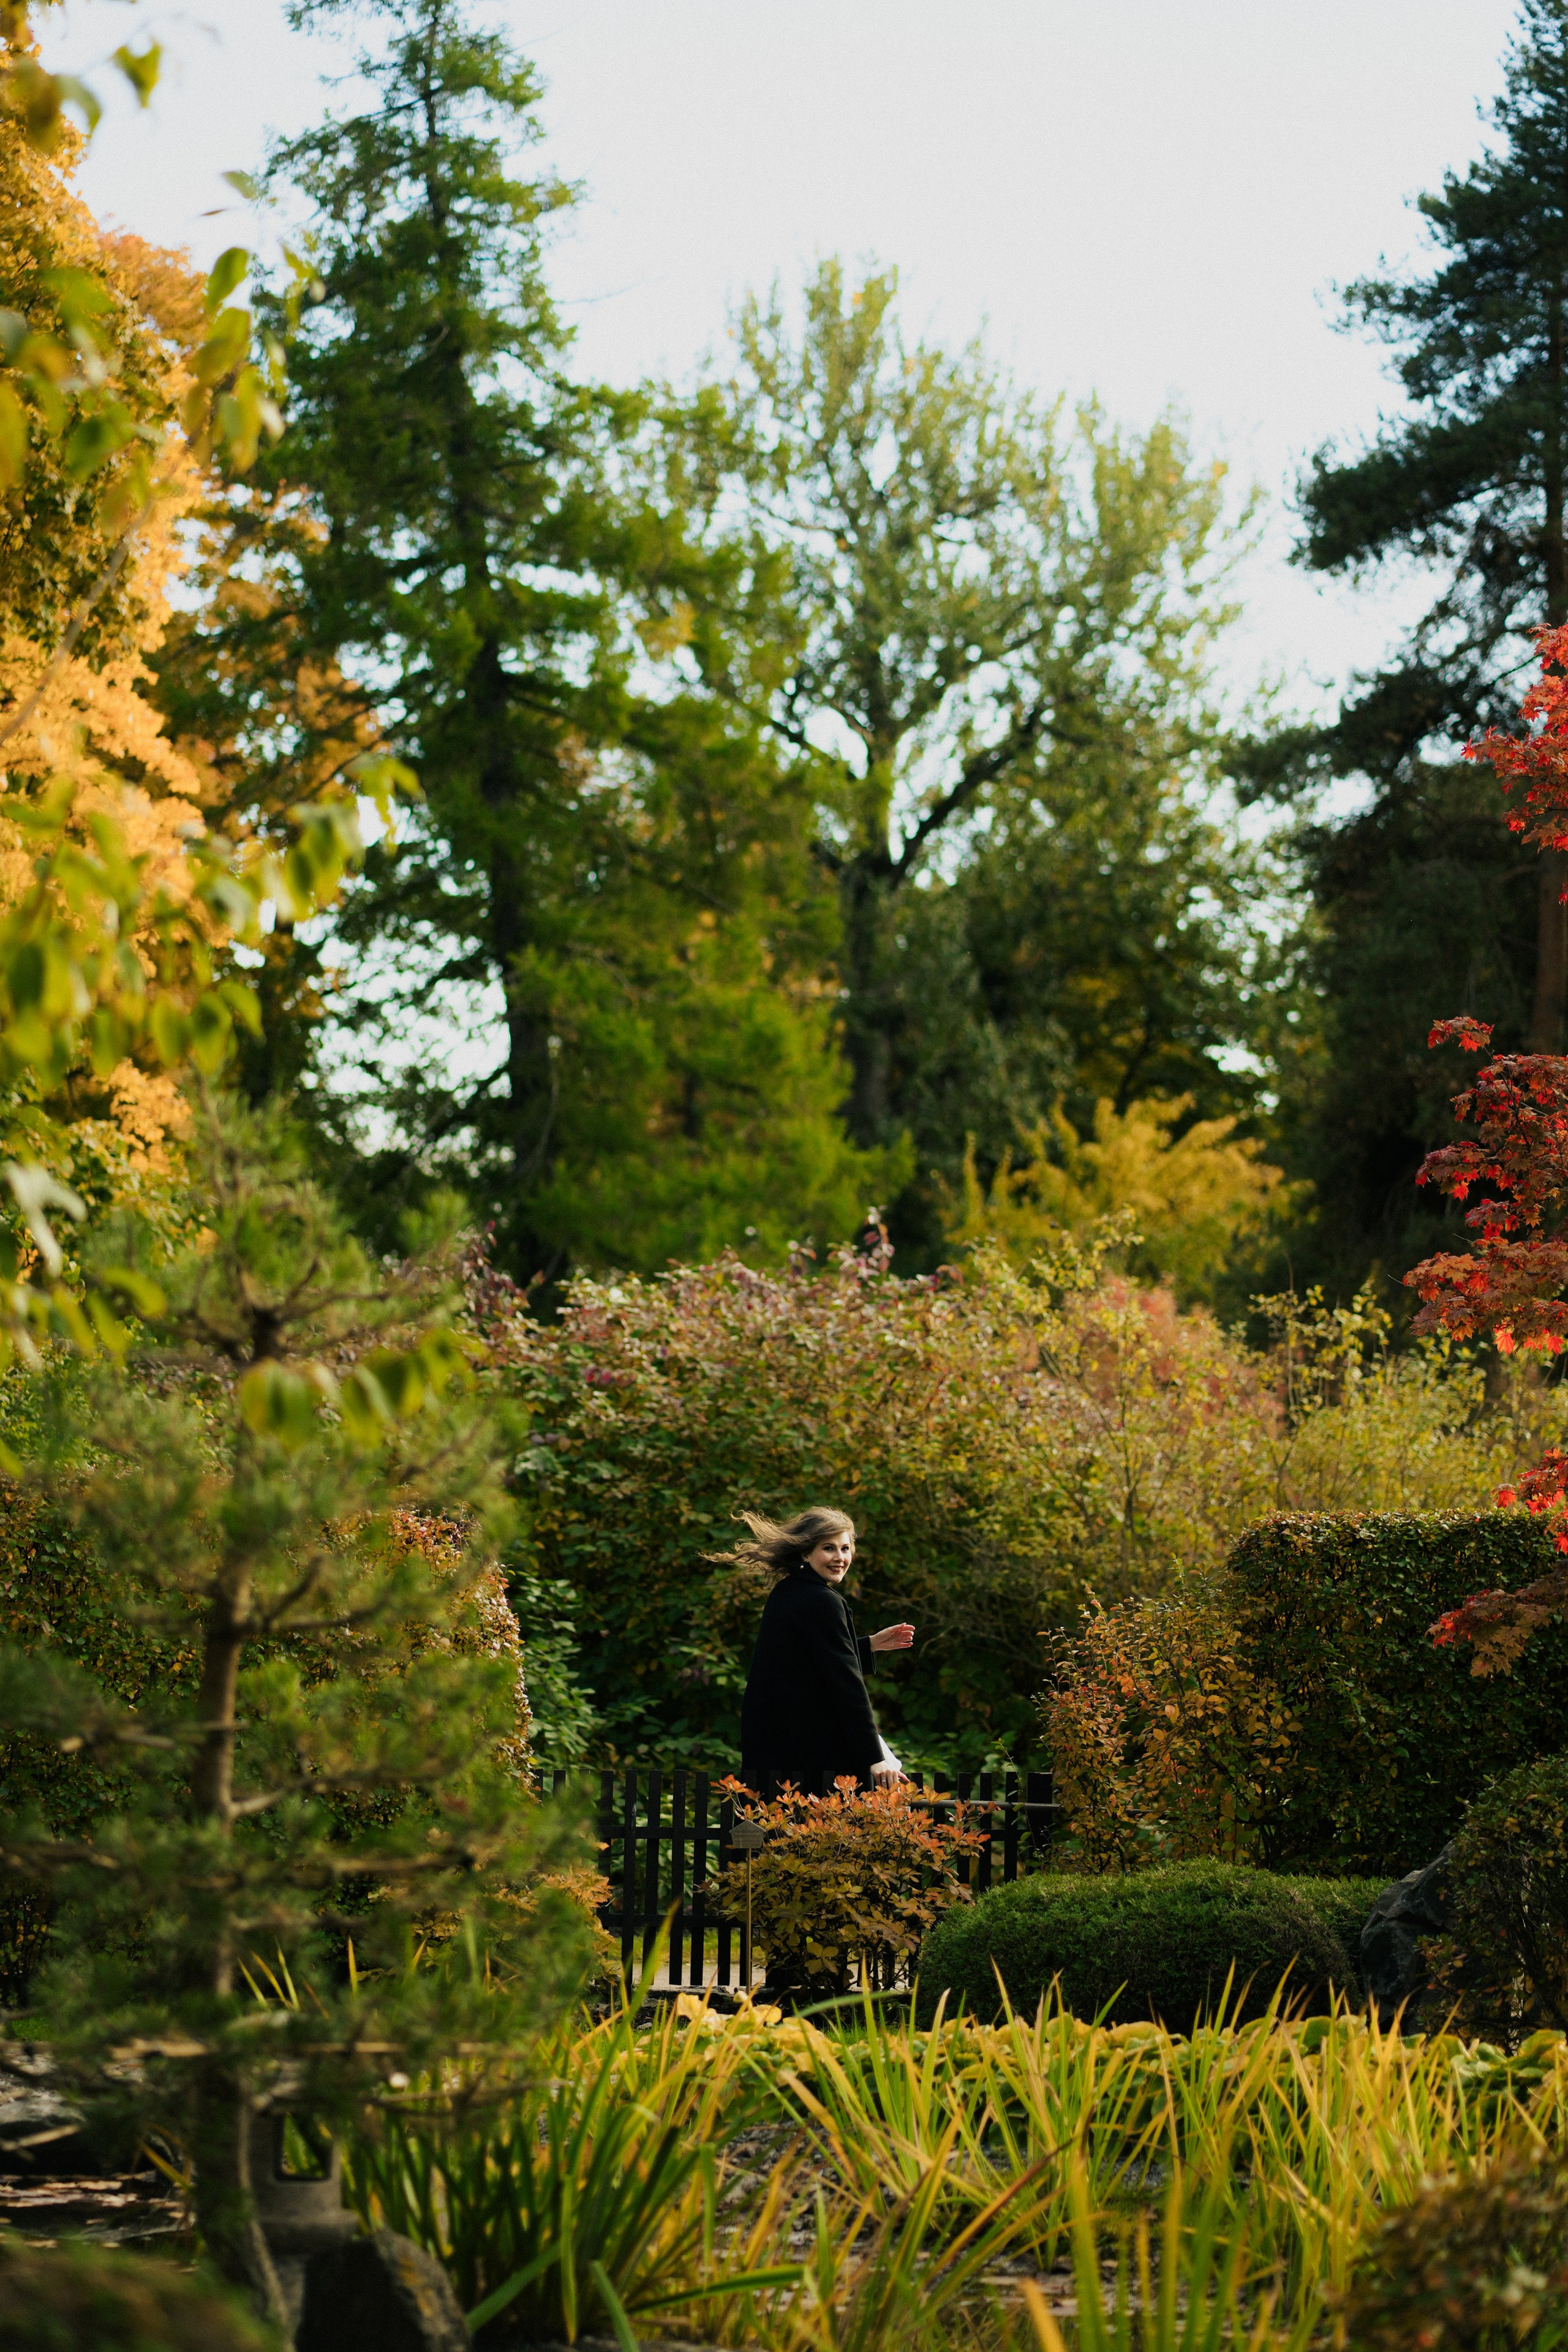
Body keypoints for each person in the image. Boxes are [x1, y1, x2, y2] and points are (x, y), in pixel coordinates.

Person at [735, 1507, 915, 1797]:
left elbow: (803, 1663)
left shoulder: (787, 1592)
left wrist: (868, 1645)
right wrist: (875, 1757)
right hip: (808, 1752)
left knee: (775, 1836)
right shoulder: (822, 1601)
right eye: (828, 1548)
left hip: (776, 1746)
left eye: (845, 1548)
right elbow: (845, 1684)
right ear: (806, 1553)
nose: (840, 1558)